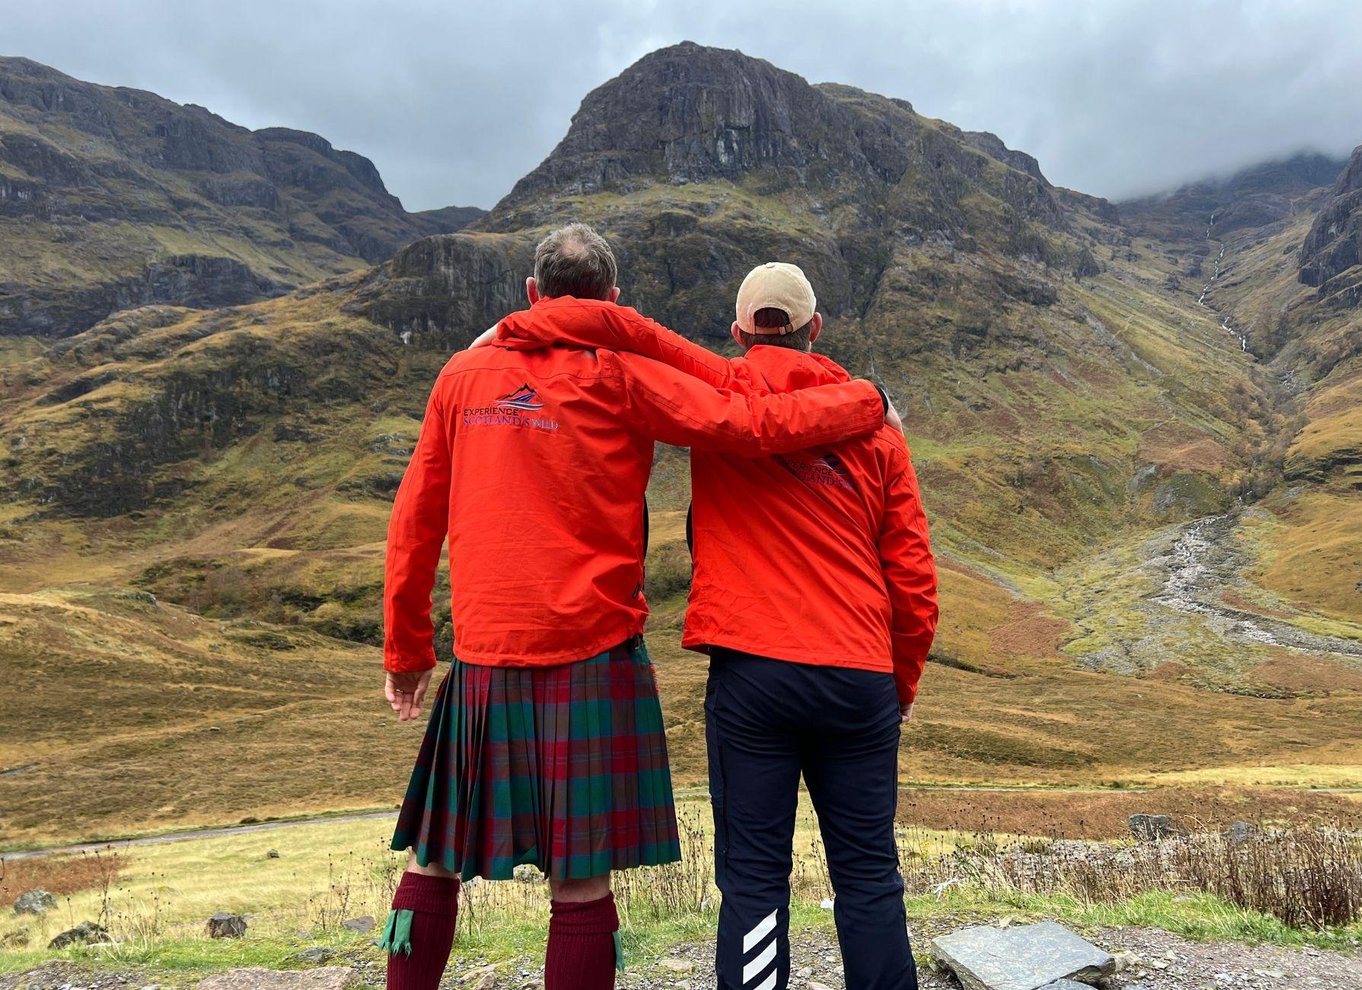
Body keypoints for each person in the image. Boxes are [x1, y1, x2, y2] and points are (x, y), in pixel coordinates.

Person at [380, 225, 898, 990]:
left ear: (533, 293)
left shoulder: (461, 374)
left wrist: (407, 649)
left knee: (436, 855)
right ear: (613, 299)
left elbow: (414, 519)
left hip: (485, 653)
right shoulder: (618, 374)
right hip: (592, 650)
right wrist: (868, 401)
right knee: (580, 878)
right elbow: (748, 425)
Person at [497, 261, 938, 990]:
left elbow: (628, 344)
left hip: (754, 677)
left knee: (755, 878)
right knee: (868, 872)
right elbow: (914, 578)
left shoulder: (714, 399)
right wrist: (902, 679)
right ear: (814, 329)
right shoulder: (877, 430)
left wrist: (521, 332)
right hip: (859, 676)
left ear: (738, 332)